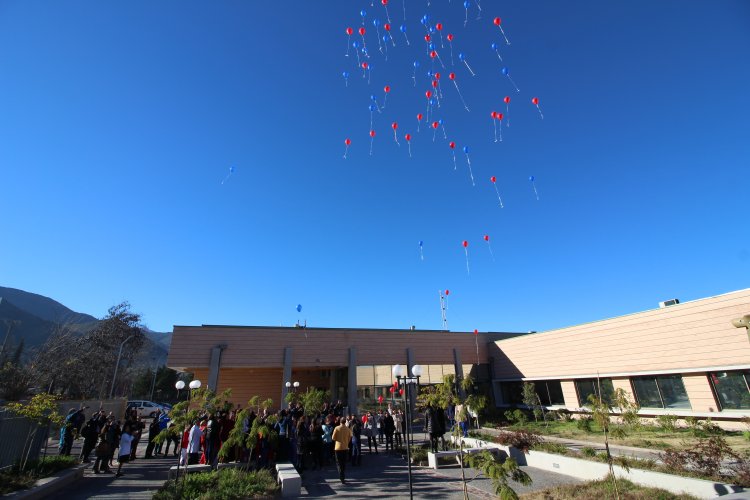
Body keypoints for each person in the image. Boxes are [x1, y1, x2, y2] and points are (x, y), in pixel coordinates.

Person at [331, 417, 352, 484]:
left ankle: (341, 474)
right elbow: (350, 437)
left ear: (340, 421)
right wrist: (346, 442)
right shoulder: (347, 429)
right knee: (343, 462)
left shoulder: (337, 428)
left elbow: (333, 438)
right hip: (345, 447)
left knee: (338, 462)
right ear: (345, 422)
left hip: (338, 447)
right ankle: (342, 475)